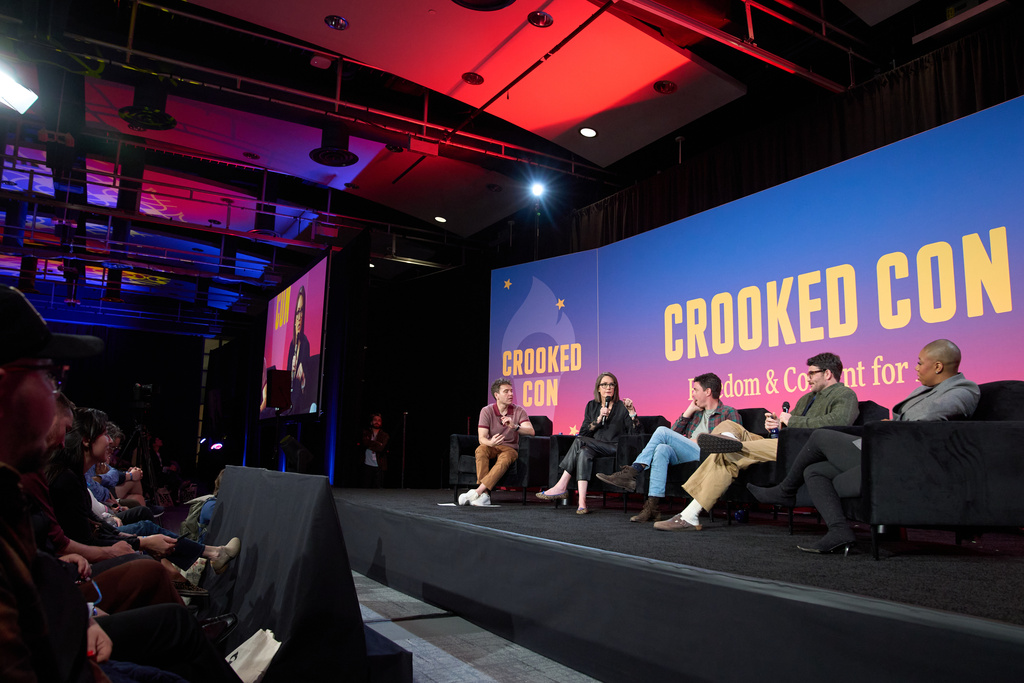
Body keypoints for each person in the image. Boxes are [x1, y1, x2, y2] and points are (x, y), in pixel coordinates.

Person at [0, 285, 243, 683]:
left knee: (147, 543)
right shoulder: (43, 482)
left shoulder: (12, 487)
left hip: (73, 628)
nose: (56, 398)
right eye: (49, 377)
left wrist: (83, 614)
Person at [747, 339, 980, 553]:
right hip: (883, 451)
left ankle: (785, 491)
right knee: (814, 471)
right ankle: (839, 532)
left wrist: (891, 428)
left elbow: (931, 420)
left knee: (821, 436)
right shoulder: (923, 390)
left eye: (920, 363)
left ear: (938, 366)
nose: (916, 368)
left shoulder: (963, 390)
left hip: (903, 459)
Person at [654, 352, 859, 531]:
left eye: (811, 373)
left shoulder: (845, 394)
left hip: (801, 449)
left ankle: (689, 515)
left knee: (729, 452)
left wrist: (792, 420)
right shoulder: (806, 398)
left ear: (828, 373)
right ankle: (728, 439)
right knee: (730, 427)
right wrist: (777, 424)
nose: (808, 378)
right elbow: (790, 425)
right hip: (782, 442)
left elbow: (839, 422)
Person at [597, 372, 739, 523]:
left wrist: (702, 440)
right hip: (690, 452)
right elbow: (674, 434)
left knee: (661, 431)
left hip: (709, 455)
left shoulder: (728, 413)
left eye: (695, 390)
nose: (692, 394)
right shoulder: (696, 413)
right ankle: (652, 508)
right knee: (662, 449)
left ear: (708, 391)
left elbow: (734, 442)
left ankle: (633, 471)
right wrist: (689, 411)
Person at [536, 372, 641, 514]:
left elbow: (634, 434)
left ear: (615, 387)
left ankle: (561, 485)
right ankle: (582, 503)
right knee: (583, 451)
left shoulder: (622, 406)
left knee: (579, 441)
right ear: (598, 388)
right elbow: (585, 432)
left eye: (611, 384)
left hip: (615, 447)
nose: (608, 387)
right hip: (595, 446)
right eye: (604, 384)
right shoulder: (592, 406)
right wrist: (598, 420)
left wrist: (632, 412)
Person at [460, 378, 536, 506]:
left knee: (505, 459)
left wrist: (515, 426)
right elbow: (482, 438)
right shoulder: (487, 411)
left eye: (511, 391)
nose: (511, 394)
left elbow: (531, 431)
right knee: (480, 450)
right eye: (506, 391)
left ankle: (478, 491)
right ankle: (485, 495)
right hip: (492, 445)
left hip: (510, 448)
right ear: (497, 395)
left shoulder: (519, 411)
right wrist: (491, 443)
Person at [288, 285, 311, 414]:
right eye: (297, 312)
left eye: (302, 312)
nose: (299, 317)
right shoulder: (292, 345)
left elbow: (305, 385)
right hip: (288, 401)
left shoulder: (305, 343)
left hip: (298, 402)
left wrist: (301, 377)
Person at [360, 413, 389, 488]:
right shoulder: (366, 433)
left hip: (379, 465)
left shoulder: (385, 435)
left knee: (378, 489)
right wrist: (377, 443)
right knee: (365, 487)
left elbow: (381, 448)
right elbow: (365, 443)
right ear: (371, 422)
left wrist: (370, 445)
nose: (377, 422)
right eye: (375, 420)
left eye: (379, 420)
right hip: (367, 464)